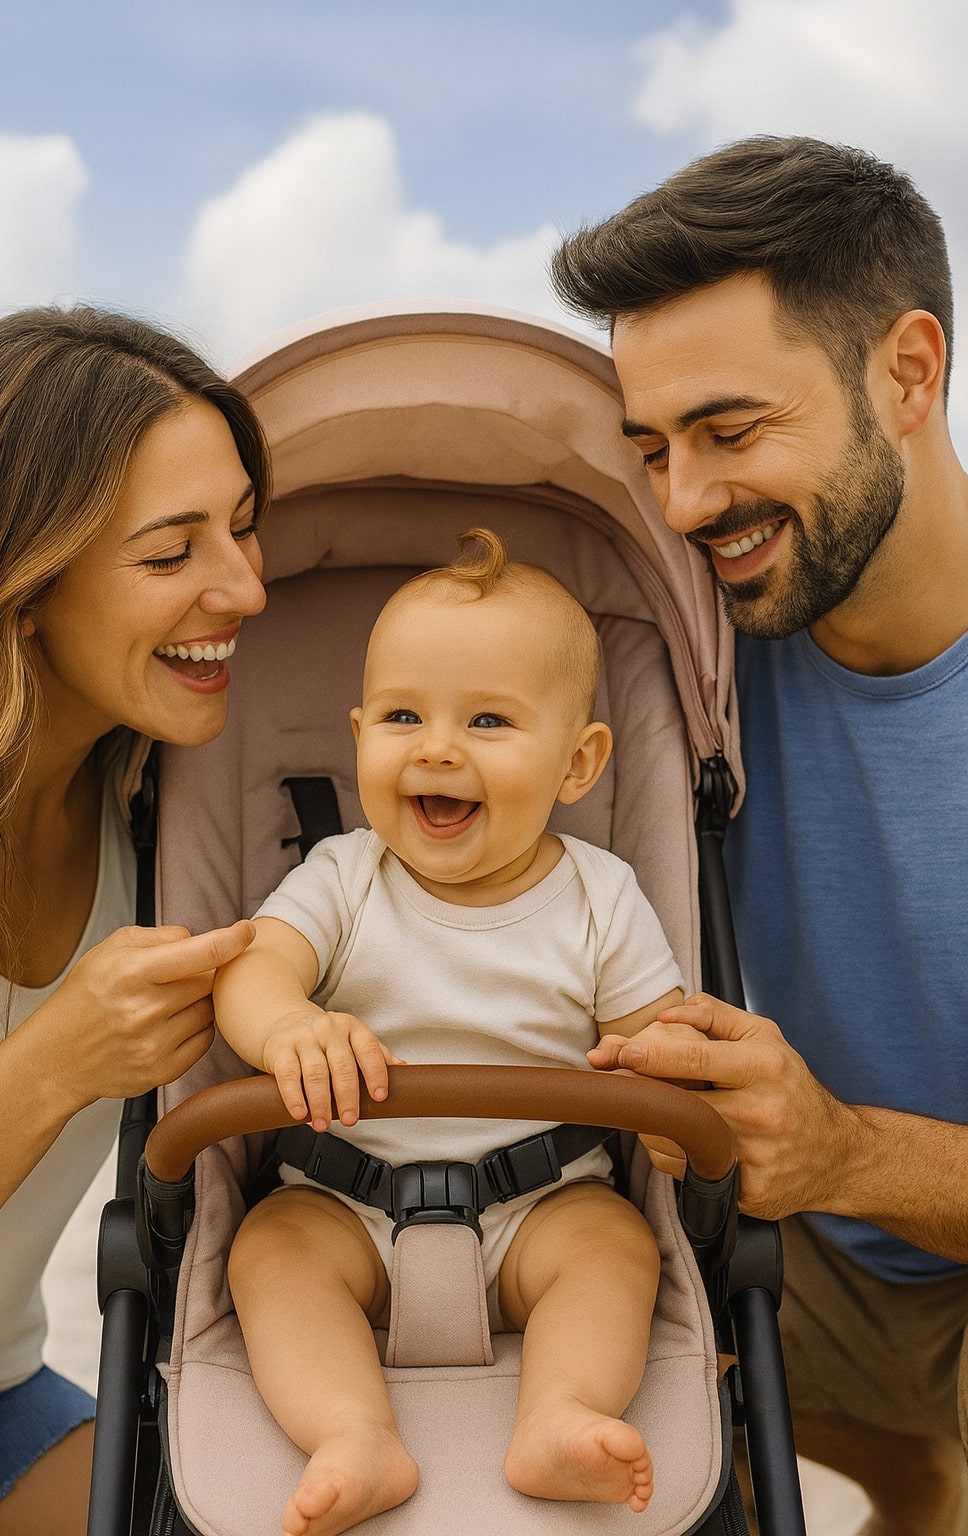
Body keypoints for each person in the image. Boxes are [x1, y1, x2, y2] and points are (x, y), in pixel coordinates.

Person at [552, 135, 968, 1534]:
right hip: (783, 1258)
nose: (683, 503)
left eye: (731, 433)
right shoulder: (675, 663)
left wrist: (852, 1154)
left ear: (909, 374)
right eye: (654, 449)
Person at [213, 527, 685, 1536]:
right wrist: (288, 1023)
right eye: (400, 716)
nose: (435, 747)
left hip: (542, 1205)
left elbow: (654, 1043)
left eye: (486, 719)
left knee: (614, 1248)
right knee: (268, 1248)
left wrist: (673, 1109)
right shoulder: (345, 875)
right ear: (356, 737)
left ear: (579, 762)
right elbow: (257, 966)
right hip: (343, 1199)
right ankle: (353, 1432)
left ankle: (559, 1412)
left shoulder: (602, 898)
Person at [0, 305, 268, 1535]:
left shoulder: (166, 822)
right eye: (172, 550)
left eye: (242, 527)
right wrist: (53, 1062)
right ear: (21, 584)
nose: (243, 585)